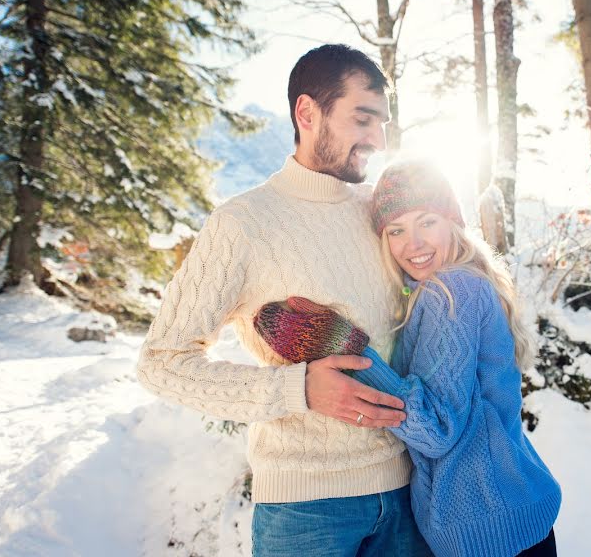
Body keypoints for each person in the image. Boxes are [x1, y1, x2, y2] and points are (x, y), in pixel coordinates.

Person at [136, 44, 431, 556]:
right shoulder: (243, 223)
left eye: (382, 123)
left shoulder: (381, 215)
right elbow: (162, 363)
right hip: (306, 510)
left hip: (410, 496)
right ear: (307, 112)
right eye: (363, 119)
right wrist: (298, 391)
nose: (377, 140)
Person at [257, 161, 561, 556]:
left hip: (488, 532)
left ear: (452, 221)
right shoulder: (459, 283)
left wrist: (344, 346)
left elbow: (434, 428)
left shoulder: (450, 292)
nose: (413, 243)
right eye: (396, 230)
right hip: (513, 513)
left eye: (427, 222)